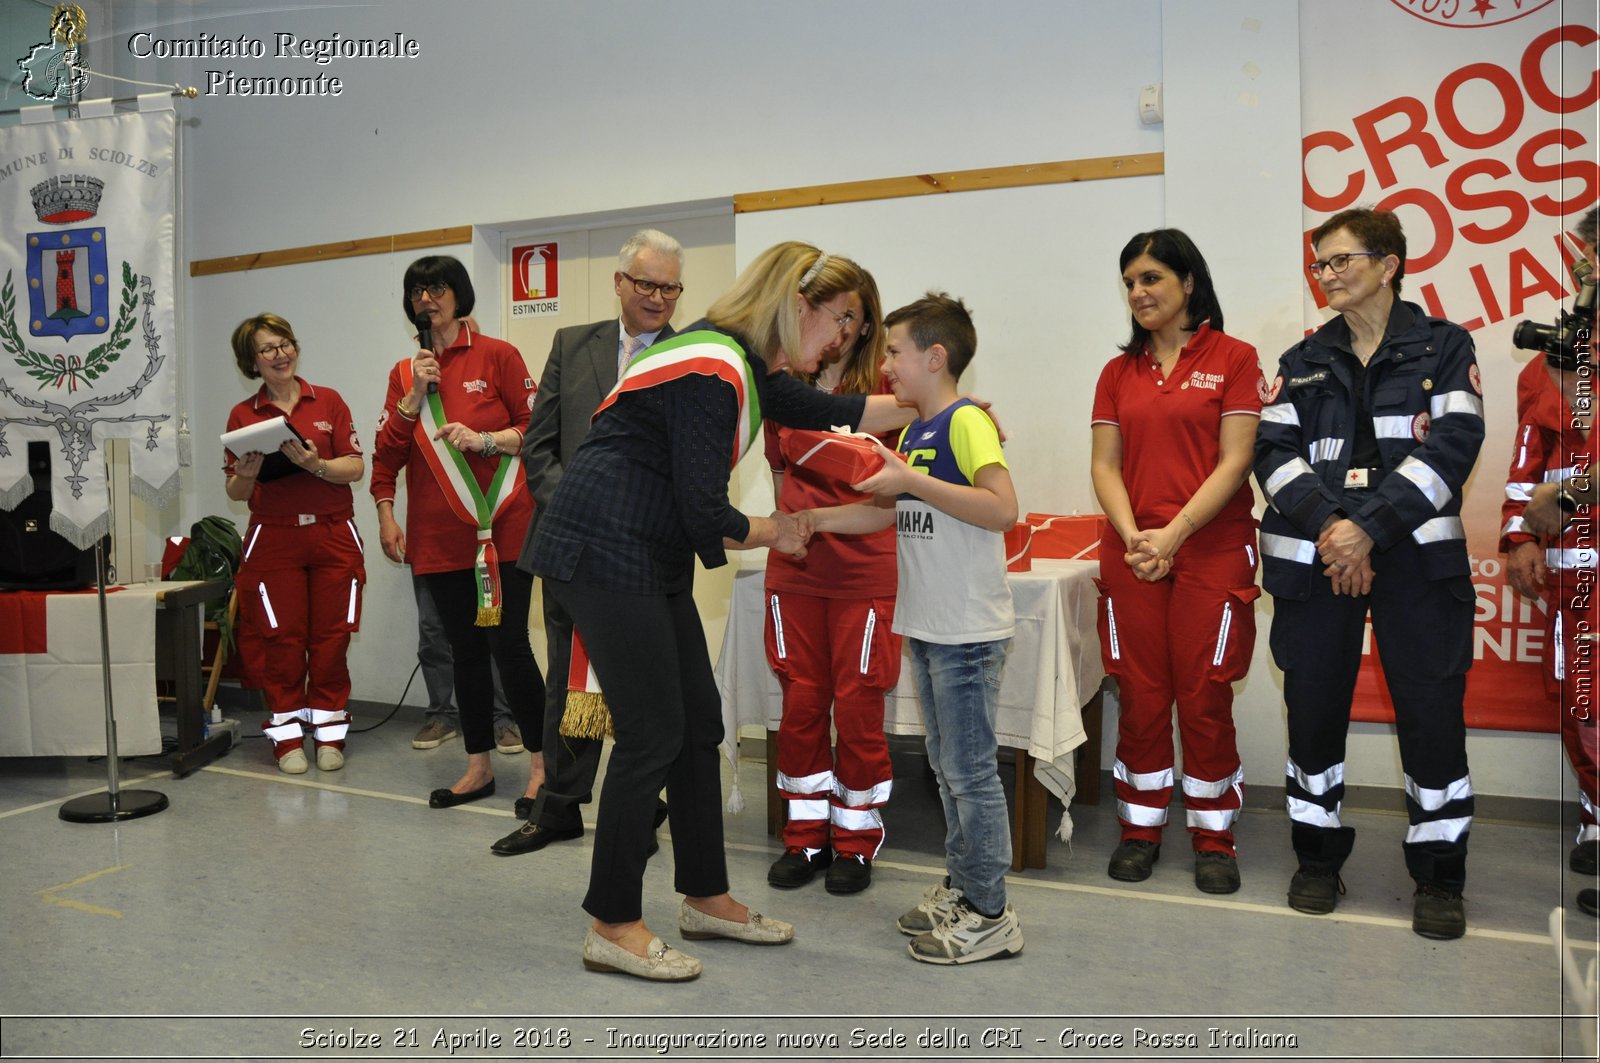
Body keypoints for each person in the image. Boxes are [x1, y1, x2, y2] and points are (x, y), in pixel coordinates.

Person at [526, 241, 918, 982]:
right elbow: (706, 513)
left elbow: (832, 407)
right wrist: (784, 529)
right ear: (797, 305)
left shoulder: (741, 359)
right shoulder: (713, 370)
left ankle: (705, 894)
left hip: (648, 554)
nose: (840, 339)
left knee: (699, 723)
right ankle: (612, 921)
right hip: (607, 553)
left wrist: (938, 401)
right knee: (650, 735)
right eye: (839, 319)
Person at [1254, 207, 1485, 940]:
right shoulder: (1300, 359)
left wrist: (1368, 529)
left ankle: (1440, 873)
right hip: (1320, 561)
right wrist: (1333, 529)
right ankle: (1317, 858)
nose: (1325, 275)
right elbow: (1273, 454)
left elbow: (1453, 445)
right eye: (1319, 264)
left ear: (1389, 265)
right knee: (1314, 715)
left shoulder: (1444, 347)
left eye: (1341, 260)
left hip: (1415, 563)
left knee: (1432, 719)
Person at [807, 292, 1024, 966]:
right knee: (946, 768)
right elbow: (886, 514)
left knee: (970, 773)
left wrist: (912, 483)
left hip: (966, 630)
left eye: (896, 351)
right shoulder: (920, 431)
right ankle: (964, 887)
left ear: (935, 356)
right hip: (928, 626)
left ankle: (991, 912)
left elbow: (1002, 508)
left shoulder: (965, 423)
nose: (888, 364)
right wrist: (814, 523)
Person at [498, 229, 684, 857]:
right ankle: (559, 807)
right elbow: (538, 442)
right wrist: (578, 509)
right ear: (620, 283)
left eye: (669, 287)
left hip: (650, 554)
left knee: (645, 684)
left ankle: (638, 805)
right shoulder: (572, 345)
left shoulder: (692, 356)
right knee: (565, 681)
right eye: (647, 284)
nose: (658, 297)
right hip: (572, 547)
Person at [1089, 229, 1263, 895]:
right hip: (1132, 549)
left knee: (1204, 695)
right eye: (1130, 280)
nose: (1138, 291)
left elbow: (1236, 459)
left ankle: (1214, 837)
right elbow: (1104, 465)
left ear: (1189, 282)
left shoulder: (1235, 357)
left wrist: (1175, 534)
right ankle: (1141, 828)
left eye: (1152, 277)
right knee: (1140, 693)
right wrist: (1138, 536)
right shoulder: (1116, 373)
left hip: (1211, 548)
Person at [370, 255, 545, 812]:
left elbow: (538, 430)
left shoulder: (499, 354)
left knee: (510, 648)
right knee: (463, 651)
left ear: (459, 294)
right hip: (437, 539)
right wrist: (386, 512)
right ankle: (478, 767)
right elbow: (386, 456)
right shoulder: (405, 372)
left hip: (503, 532)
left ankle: (543, 767)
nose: (428, 299)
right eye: (418, 290)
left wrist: (486, 440)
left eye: (439, 287)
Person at [762, 269, 898, 895]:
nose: (841, 330)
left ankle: (855, 842)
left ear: (869, 325)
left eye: (853, 318)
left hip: (863, 574)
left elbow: (890, 498)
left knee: (859, 707)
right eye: (831, 313)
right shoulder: (778, 383)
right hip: (793, 572)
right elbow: (776, 477)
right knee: (801, 705)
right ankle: (805, 837)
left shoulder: (888, 391)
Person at [1502, 208, 1597, 918]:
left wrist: (1568, 493)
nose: (1590, 268)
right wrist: (1522, 539)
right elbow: (1524, 465)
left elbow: (1569, 477)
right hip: (1573, 575)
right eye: (1587, 256)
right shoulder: (1552, 359)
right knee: (1582, 704)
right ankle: (1598, 813)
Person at [223, 313, 366, 774]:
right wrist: (244, 476)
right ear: (252, 361)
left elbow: (355, 467)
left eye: (285, 343)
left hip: (332, 532)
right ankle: (286, 741)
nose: (280, 354)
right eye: (268, 348)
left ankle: (330, 736)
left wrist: (315, 465)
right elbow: (236, 492)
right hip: (273, 536)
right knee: (280, 641)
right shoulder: (245, 416)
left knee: (331, 639)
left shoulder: (329, 401)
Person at [411, 575, 523, 755]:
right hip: (429, 553)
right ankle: (441, 715)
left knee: (491, 621)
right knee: (431, 628)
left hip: (481, 550)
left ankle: (502, 718)